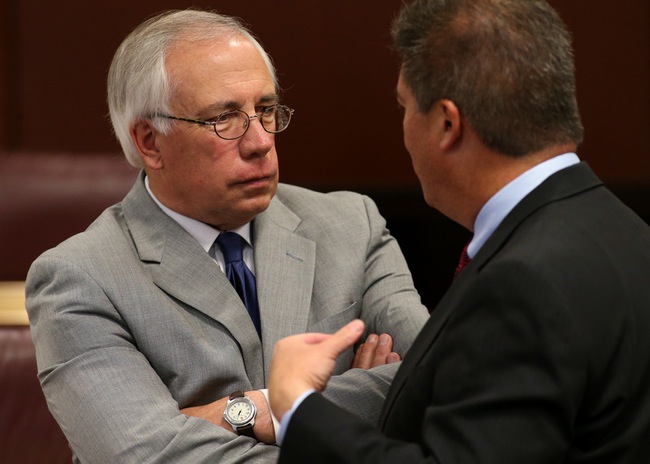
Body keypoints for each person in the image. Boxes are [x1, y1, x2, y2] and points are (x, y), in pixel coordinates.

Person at [25, 9, 430, 464]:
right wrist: (342, 423)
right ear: (149, 142)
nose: (261, 141)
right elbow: (143, 456)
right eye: (225, 118)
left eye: (266, 110)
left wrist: (248, 411)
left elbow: (436, 383)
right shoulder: (79, 278)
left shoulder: (351, 225)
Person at [268, 0, 650, 462]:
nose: (403, 129)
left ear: (447, 124)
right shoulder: (624, 228)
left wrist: (297, 407)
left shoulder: (523, 282)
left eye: (404, 107)